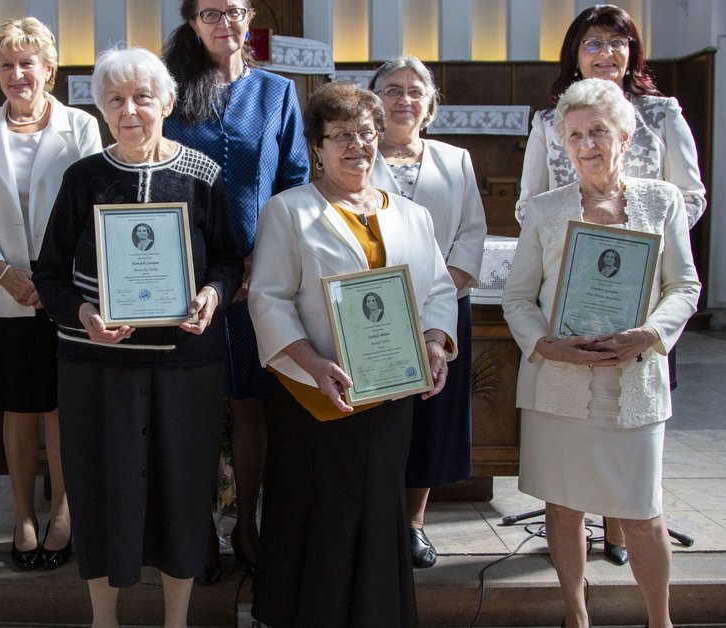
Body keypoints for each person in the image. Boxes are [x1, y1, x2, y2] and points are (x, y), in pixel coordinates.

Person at [31, 46, 242, 628]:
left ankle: (176, 619)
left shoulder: (203, 176)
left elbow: (228, 261)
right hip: (99, 365)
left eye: (143, 97)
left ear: (168, 102)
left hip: (184, 367)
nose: (130, 111)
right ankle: (105, 618)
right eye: (116, 100)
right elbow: (47, 273)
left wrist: (212, 295)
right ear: (100, 109)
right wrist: (82, 315)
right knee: (100, 491)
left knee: (182, 488)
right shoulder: (83, 178)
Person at [247, 81, 458, 628]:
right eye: (339, 135)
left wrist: (435, 343)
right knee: (321, 510)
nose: (355, 145)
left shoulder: (412, 215)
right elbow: (268, 298)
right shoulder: (287, 210)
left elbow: (437, 289)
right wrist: (314, 365)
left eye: (365, 132)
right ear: (316, 146)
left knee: (379, 506)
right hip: (316, 394)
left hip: (390, 391)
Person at [502, 78, 700, 628]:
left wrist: (651, 335)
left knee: (641, 512)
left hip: (632, 381)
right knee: (563, 509)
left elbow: (684, 286)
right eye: (574, 135)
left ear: (627, 135)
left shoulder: (662, 201)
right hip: (558, 383)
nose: (587, 144)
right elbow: (518, 298)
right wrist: (544, 344)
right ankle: (576, 616)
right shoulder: (544, 210)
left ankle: (659, 619)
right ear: (562, 144)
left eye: (599, 132)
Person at [162, 0, 309, 577]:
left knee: (252, 402)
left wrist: (261, 262)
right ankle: (194, 526)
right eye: (211, 12)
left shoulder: (276, 92)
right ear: (192, 22)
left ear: (251, 19)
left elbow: (294, 181)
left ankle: (247, 520)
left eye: (236, 10)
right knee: (191, 405)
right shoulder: (169, 88)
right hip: (184, 276)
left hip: (256, 278)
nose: (225, 22)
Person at [0, 16, 102, 571]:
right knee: (16, 407)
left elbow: (90, 210)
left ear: (49, 69)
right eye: (7, 64)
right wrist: (1, 271)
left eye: (28, 63)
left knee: (62, 406)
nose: (18, 74)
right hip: (3, 292)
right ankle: (21, 514)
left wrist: (49, 279)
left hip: (63, 290)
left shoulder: (82, 126)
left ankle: (62, 510)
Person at [368, 54, 486, 570]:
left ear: (430, 105)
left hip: (444, 312)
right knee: (376, 417)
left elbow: (472, 234)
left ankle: (414, 524)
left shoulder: (455, 160)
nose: (403, 99)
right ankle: (373, 520)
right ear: (375, 101)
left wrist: (440, 293)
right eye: (392, 89)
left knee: (429, 417)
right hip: (372, 312)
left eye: (415, 91)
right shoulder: (353, 153)